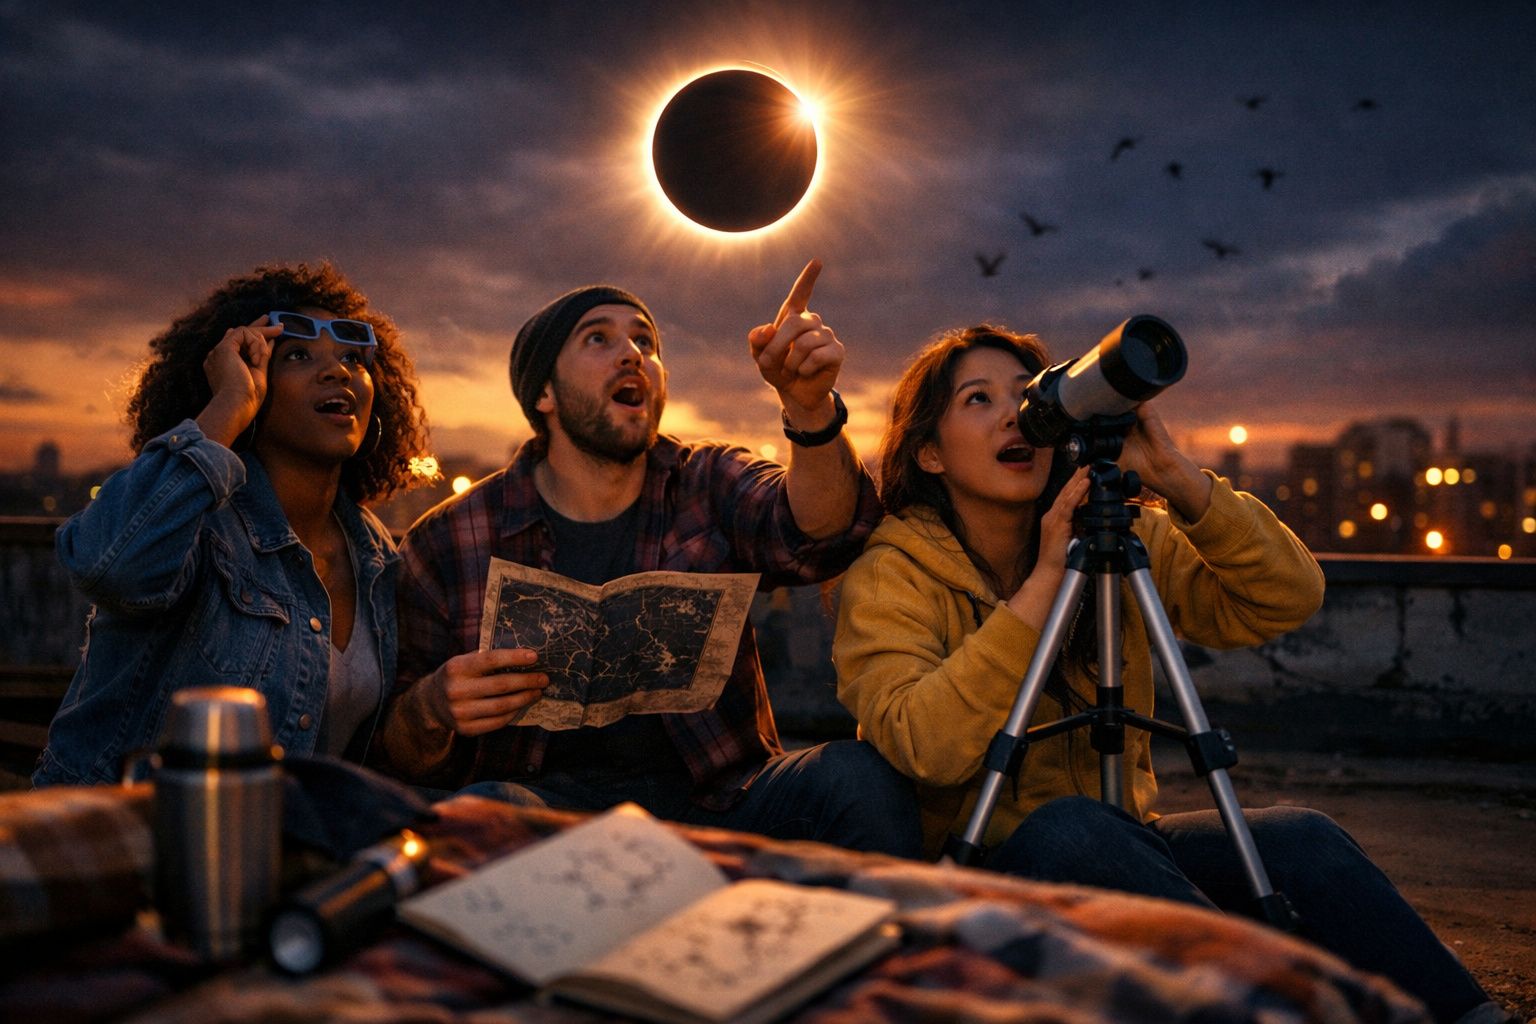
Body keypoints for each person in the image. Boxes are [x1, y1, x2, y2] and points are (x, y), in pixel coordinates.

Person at [833, 324, 1501, 1022]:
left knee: (1302, 839)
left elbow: (1285, 596)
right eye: (978, 399)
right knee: (1069, 828)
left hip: (1119, 847)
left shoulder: (1116, 532)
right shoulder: (893, 572)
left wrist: (1175, 476)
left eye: (1026, 395)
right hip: (978, 877)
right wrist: (1047, 579)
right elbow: (925, 746)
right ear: (930, 453)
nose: (1012, 413)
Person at [372, 261, 922, 858]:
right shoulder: (451, 539)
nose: (632, 353)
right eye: (598, 338)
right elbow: (393, 750)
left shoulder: (706, 481)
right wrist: (432, 706)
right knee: (485, 811)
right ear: (543, 394)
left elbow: (824, 532)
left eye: (645, 341)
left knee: (856, 778)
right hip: (549, 814)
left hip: (724, 802)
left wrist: (811, 409)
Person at [34, 262, 429, 787]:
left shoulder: (375, 555)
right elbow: (109, 566)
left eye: (354, 359)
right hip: (122, 846)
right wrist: (229, 404)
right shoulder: (199, 525)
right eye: (297, 354)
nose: (338, 372)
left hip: (275, 857)